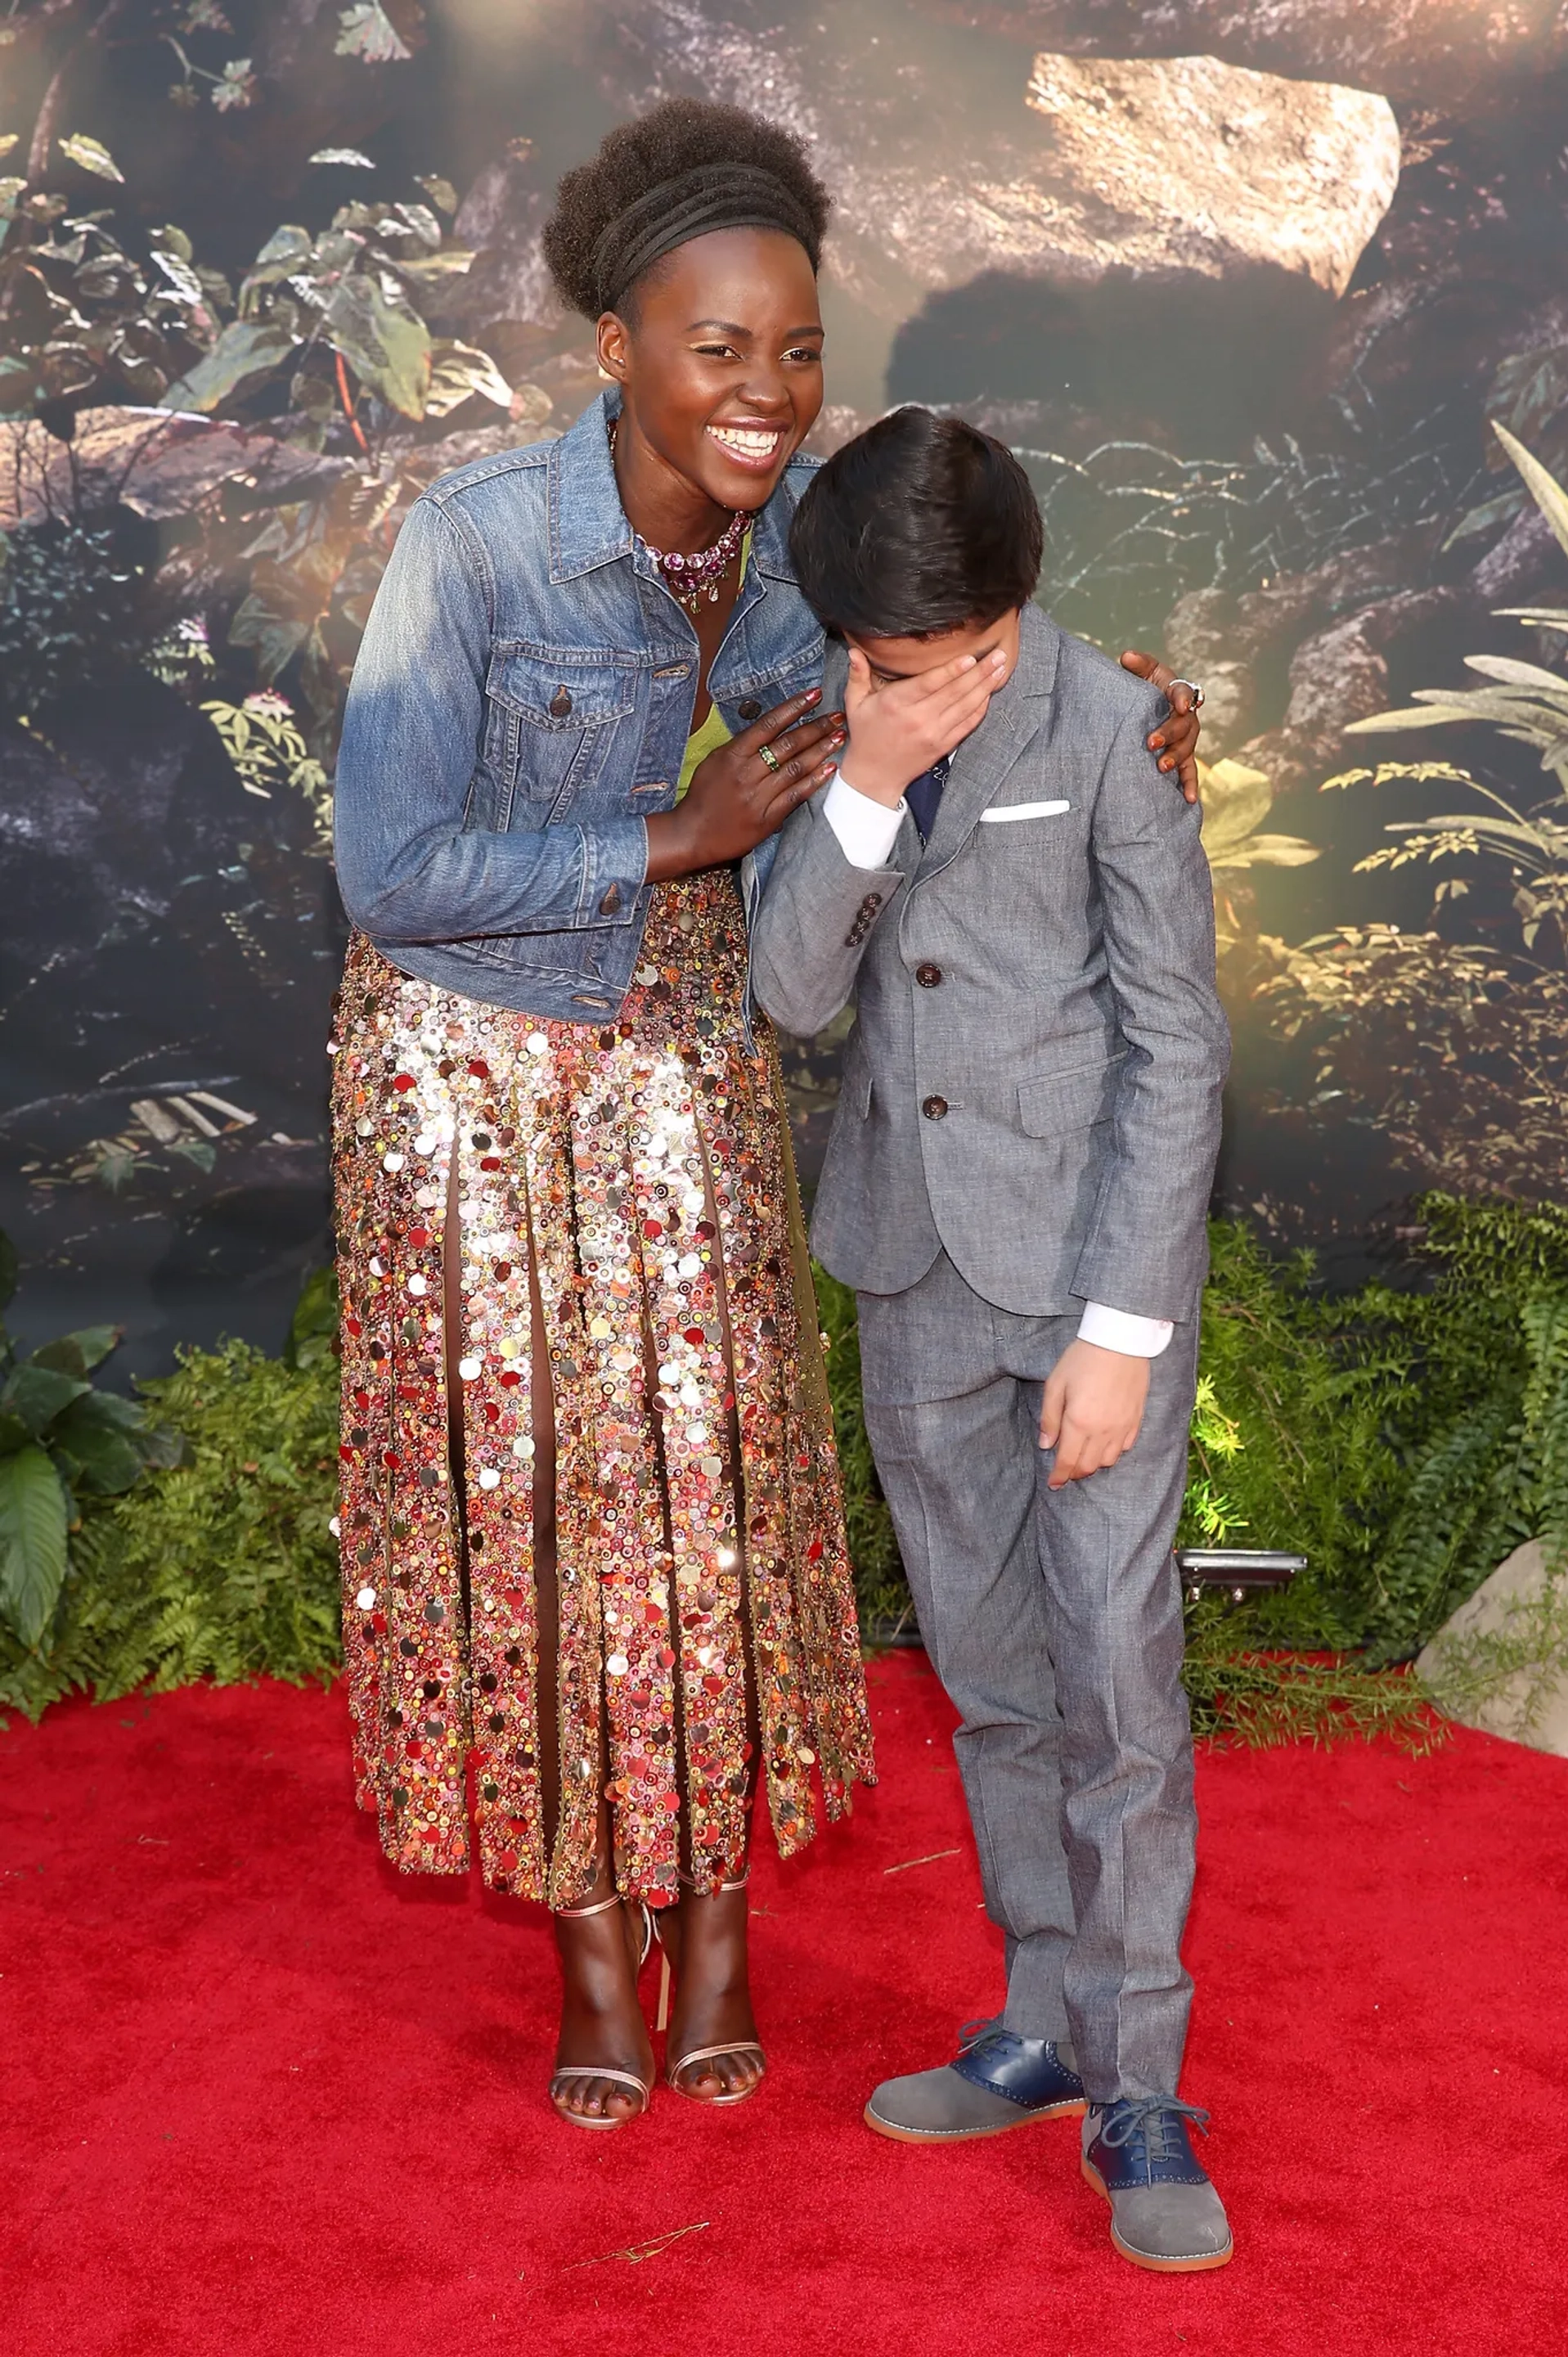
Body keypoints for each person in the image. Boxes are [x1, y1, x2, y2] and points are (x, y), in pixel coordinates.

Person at [330, 100, 1205, 2135]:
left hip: (694, 1065)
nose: (766, 391)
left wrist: (1116, 695)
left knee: (707, 1521)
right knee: (539, 1526)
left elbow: (940, 694)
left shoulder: (800, 548)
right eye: (717, 347)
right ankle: (582, 1939)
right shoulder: (472, 543)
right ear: (614, 346)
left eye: (798, 350)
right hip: (477, 1082)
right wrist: (682, 830)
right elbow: (392, 868)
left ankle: (716, 1922)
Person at [753, 407, 1233, 2272]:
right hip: (909, 1276)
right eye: (899, 668)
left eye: (965, 663)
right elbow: (796, 995)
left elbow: (1174, 1042)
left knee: (1118, 1685)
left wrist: (1124, 1327)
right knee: (996, 1680)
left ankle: (1142, 2085)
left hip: (1088, 1292)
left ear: (1022, 605)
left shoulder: (1113, 727)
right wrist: (863, 776)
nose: (939, 691)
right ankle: (1044, 2020)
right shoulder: (832, 711)